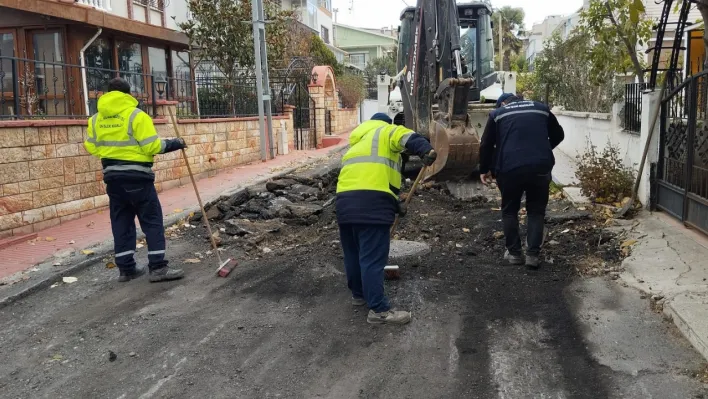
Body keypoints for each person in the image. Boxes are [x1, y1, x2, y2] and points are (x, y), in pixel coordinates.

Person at [336, 113, 436, 325]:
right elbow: (407, 137)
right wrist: (426, 149)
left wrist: (394, 204)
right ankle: (379, 310)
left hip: (345, 204)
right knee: (372, 258)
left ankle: (359, 295)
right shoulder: (385, 130)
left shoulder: (357, 143)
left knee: (353, 253)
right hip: (371, 205)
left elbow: (372, 178)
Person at [84, 78, 187, 283]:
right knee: (151, 220)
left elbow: (92, 147)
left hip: (113, 178)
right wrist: (175, 143)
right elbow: (152, 146)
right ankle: (158, 267)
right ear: (128, 94)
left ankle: (126, 269)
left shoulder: (96, 119)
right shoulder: (136, 116)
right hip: (138, 177)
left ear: (108, 93)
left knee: (121, 221)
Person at [479, 93, 565, 269]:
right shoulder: (541, 109)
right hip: (540, 167)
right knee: (536, 211)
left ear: (503, 103)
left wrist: (484, 169)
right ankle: (533, 255)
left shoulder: (498, 114)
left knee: (510, 210)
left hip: (510, 168)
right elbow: (559, 134)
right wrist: (543, 150)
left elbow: (486, 144)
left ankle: (514, 254)